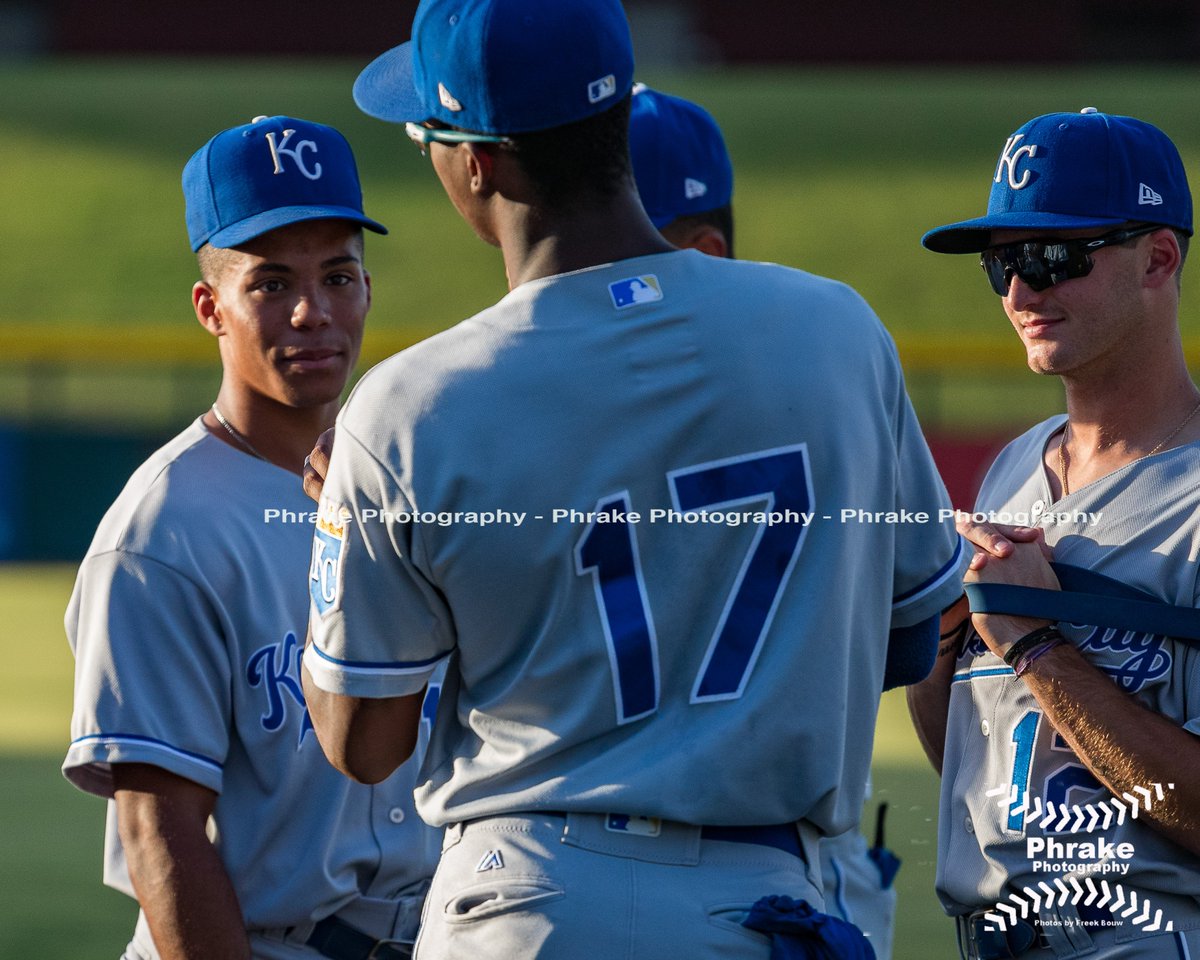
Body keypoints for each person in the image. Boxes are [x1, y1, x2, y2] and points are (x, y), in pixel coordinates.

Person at [300, 2, 964, 957]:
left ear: (478, 163)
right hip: (766, 900)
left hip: (526, 901)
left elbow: (362, 743)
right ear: (616, 120)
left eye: (427, 136)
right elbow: (909, 641)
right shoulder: (837, 330)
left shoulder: (411, 404)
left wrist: (346, 538)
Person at [64, 115, 438, 960]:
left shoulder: (407, 481)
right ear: (211, 308)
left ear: (369, 290)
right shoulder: (162, 530)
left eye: (339, 276)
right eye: (271, 284)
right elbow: (163, 834)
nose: (314, 312)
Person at [910, 108, 1200, 959]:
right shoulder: (1011, 469)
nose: (1019, 292)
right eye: (1003, 262)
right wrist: (946, 639)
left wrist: (1038, 644)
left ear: (1158, 257)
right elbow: (981, 767)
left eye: (1052, 257)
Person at [628, 80, 902, 960]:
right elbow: (914, 631)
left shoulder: (543, 421)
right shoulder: (831, 374)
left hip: (744, 871)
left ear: (703, 248)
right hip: (805, 865)